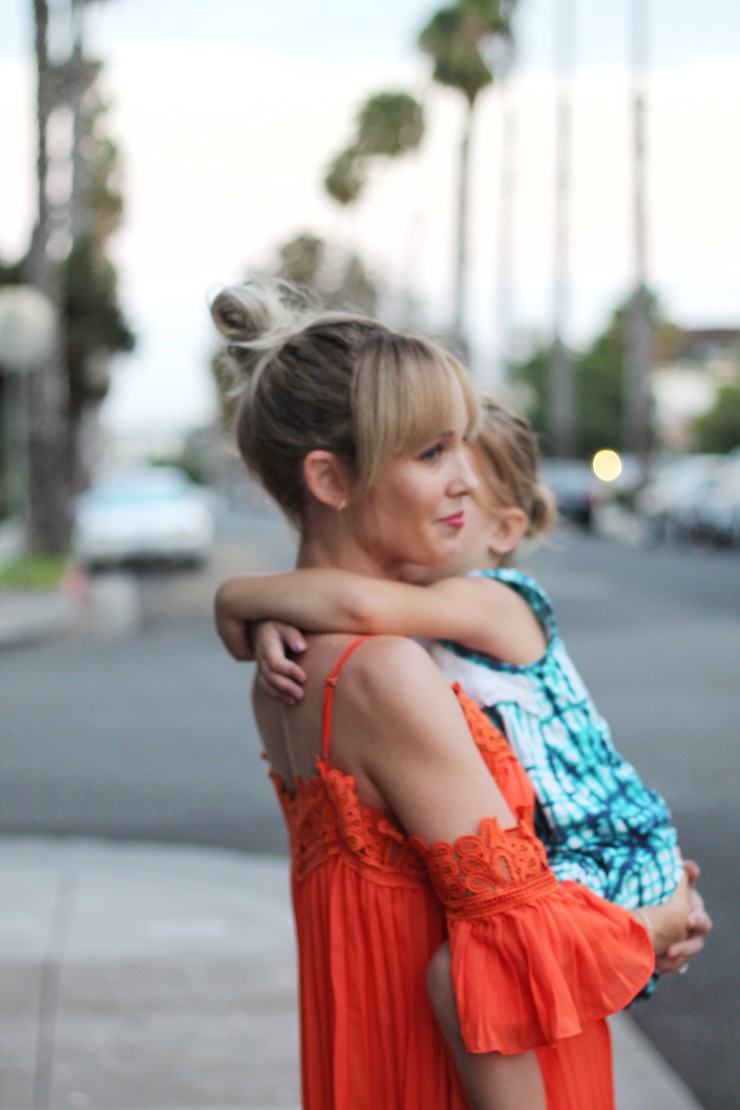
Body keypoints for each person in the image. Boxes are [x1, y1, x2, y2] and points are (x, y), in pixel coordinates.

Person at [210, 279, 689, 1110]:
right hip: (484, 1071)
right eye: (432, 454)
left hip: (379, 1059)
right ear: (330, 478)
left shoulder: (289, 664)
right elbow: (512, 942)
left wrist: (245, 602)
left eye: (463, 446)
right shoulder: (386, 669)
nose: (469, 478)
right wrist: (658, 926)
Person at [216, 397, 711, 985]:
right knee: (485, 960)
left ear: (504, 530)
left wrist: (236, 599)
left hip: (602, 845)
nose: (445, 496)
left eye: (465, 493)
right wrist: (280, 621)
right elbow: (351, 609)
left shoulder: (497, 600)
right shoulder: (425, 624)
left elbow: (357, 603)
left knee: (473, 974)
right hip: (568, 854)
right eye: (432, 466)